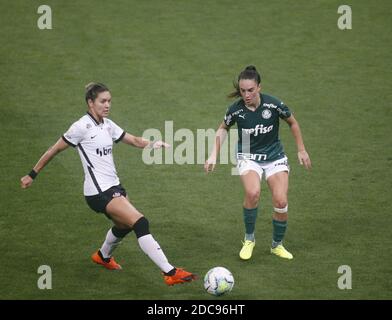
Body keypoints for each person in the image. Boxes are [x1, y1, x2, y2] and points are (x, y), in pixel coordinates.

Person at [20, 82, 197, 286]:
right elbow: (54, 149)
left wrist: (152, 144)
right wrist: (32, 174)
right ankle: (170, 272)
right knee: (140, 222)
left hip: (114, 186)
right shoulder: (81, 127)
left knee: (123, 225)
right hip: (98, 192)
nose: (107, 105)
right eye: (103, 101)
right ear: (90, 103)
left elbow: (133, 140)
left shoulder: (107, 124)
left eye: (109, 101)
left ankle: (102, 257)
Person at [204, 66, 311, 260]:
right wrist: (213, 154)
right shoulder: (236, 110)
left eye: (250, 90)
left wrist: (301, 149)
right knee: (253, 193)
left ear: (259, 87)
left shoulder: (274, 105)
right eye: (243, 90)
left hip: (275, 157)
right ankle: (249, 239)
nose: (246, 95)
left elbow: (293, 123)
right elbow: (222, 129)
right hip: (248, 156)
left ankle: (276, 245)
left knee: (281, 201)